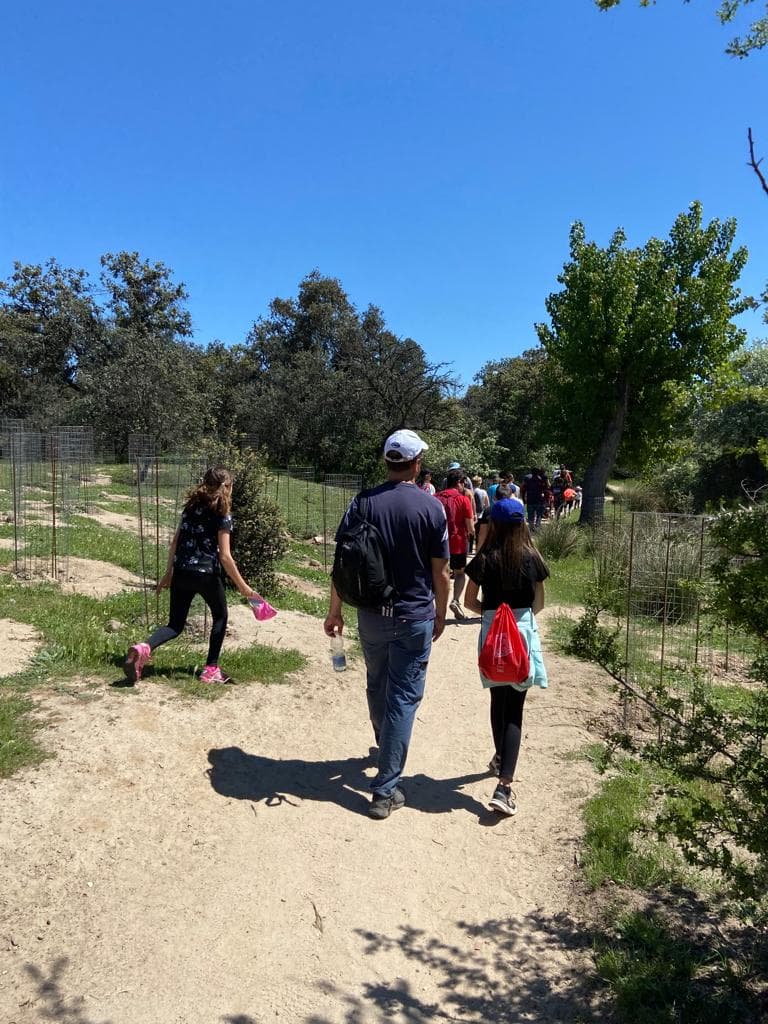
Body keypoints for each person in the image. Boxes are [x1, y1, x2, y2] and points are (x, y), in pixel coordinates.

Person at [324, 429, 450, 820]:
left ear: (387, 463)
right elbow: (441, 572)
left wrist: (335, 610)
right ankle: (384, 788)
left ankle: (386, 747)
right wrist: (442, 612)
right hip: (414, 617)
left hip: (371, 615)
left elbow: (342, 561)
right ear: (416, 464)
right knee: (403, 698)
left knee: (378, 685)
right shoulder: (431, 508)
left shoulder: (361, 503)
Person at [123, 466, 257, 685]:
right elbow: (225, 556)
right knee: (221, 616)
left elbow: (175, 541)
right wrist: (243, 587)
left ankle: (143, 648)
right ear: (228, 487)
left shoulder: (190, 507)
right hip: (205, 574)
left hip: (181, 572)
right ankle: (211, 669)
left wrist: (168, 573)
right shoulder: (222, 512)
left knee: (175, 624)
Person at [464, 497, 549, 817]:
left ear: (495, 525)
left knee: (497, 701)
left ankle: (501, 757)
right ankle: (504, 785)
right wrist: (516, 619)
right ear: (523, 523)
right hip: (522, 634)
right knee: (515, 708)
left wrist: (491, 616)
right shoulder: (532, 557)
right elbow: (538, 604)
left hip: (492, 634)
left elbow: (470, 600)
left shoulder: (486, 557)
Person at [437, 468, 475, 619]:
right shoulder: (463, 499)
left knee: (438, 574)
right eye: (463, 483)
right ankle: (455, 600)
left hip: (438, 544)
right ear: (459, 482)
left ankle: (438, 604)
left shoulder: (435, 497)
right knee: (460, 574)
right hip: (458, 542)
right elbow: (470, 527)